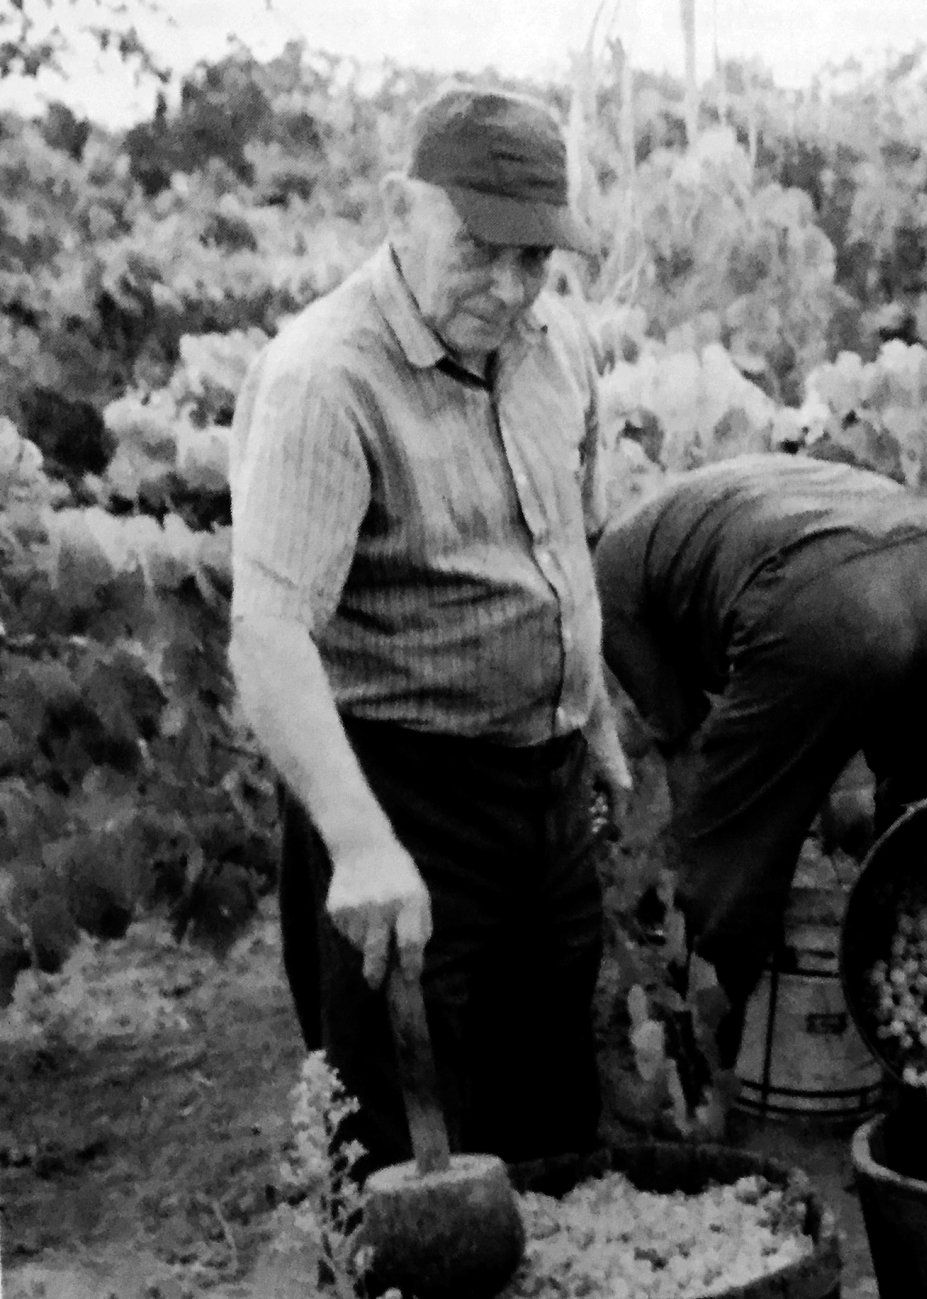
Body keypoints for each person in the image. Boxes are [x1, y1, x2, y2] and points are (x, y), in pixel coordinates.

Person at [228, 83, 630, 1178]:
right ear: (401, 211)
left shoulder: (559, 349)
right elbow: (268, 638)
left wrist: (588, 713)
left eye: (534, 261)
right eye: (479, 252)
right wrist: (361, 845)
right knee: (408, 1158)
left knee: (551, 1115)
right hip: (399, 795)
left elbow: (564, 543)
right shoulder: (325, 381)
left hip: (540, 798)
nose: (508, 291)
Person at [593, 452, 927, 1056]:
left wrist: (720, 852)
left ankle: (700, 1056)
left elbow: (693, 759)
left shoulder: (610, 582)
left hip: (829, 599)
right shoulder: (716, 502)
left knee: (731, 854)